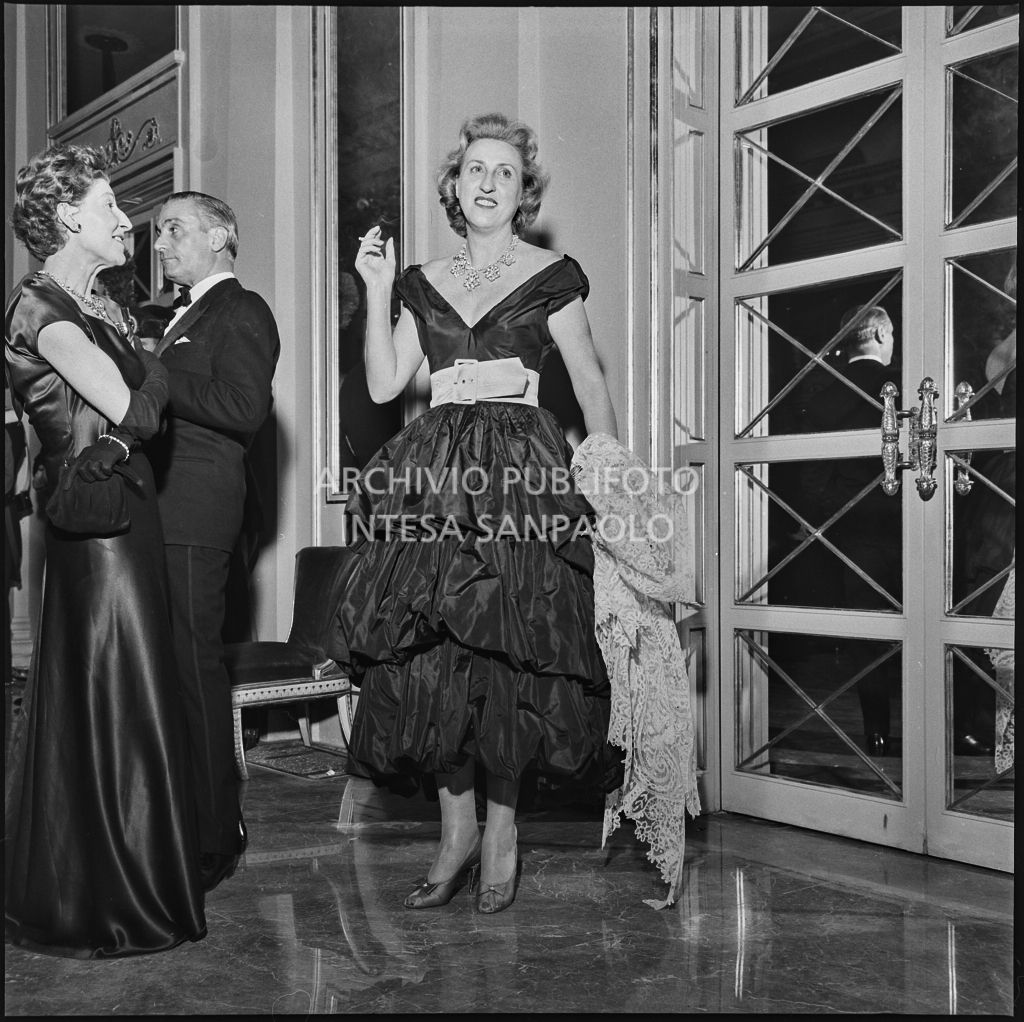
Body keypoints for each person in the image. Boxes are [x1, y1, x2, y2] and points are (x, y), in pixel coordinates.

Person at [327, 113, 620, 914]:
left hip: (521, 471)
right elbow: (388, 386)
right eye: (475, 170)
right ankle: (452, 833)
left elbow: (591, 386)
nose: (488, 182)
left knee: (508, 652)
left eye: (506, 173)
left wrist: (608, 475)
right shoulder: (421, 281)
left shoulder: (553, 273)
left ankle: (501, 833)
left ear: (523, 194)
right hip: (435, 475)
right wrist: (379, 289)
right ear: (454, 186)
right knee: (431, 654)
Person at [4, 143, 205, 956]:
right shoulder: (36, 309)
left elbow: (145, 404)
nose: (129, 221)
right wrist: (147, 388)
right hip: (94, 536)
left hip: (128, 516)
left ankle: (126, 879)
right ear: (66, 217)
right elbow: (140, 402)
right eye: (111, 205)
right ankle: (107, 897)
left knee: (130, 690)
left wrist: (139, 398)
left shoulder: (94, 309)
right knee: (112, 697)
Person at [149, 191, 280, 892]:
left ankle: (216, 832)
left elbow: (243, 408)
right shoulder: (178, 318)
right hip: (158, 513)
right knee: (168, 671)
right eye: (158, 231)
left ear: (222, 235)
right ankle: (180, 820)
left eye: (175, 228)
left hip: (197, 516)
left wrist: (153, 373)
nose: (162, 242)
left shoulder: (243, 310)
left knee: (195, 672)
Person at [805, 305, 902, 757]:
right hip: (905, 524)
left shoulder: (822, 394)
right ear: (881, 336)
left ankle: (876, 731)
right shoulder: (899, 390)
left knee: (867, 634)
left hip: (852, 533)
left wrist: (836, 514)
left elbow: (809, 476)